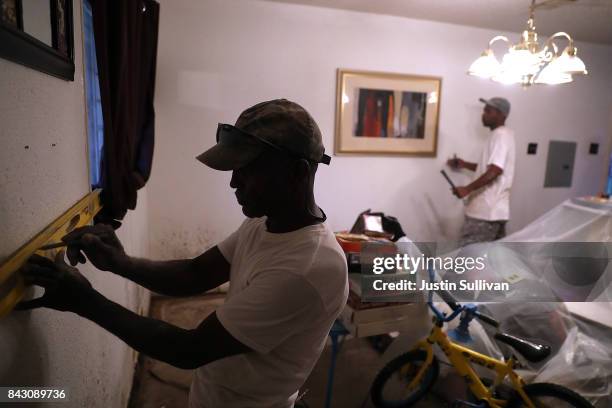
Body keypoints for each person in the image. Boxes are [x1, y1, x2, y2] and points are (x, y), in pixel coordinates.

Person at [18, 99, 349, 408]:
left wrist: (82, 300)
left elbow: (188, 349)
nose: (234, 182)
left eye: (248, 170)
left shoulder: (308, 268)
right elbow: (196, 274)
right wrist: (120, 263)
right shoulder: (265, 222)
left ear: (298, 173)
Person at [447, 97, 516, 246]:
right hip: (496, 212)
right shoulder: (503, 134)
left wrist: (467, 189)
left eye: (488, 111)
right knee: (491, 261)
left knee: (467, 260)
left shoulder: (500, 135)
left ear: (500, 114)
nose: (483, 114)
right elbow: (489, 167)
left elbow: (495, 170)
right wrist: (464, 164)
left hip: (485, 213)